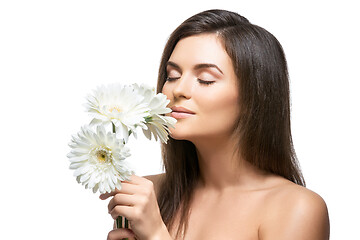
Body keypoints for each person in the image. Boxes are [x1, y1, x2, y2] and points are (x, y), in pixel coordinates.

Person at [100, 9, 330, 240]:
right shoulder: (147, 195)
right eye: (172, 75)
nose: (178, 90)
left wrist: (156, 235)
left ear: (255, 96)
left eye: (205, 79)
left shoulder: (295, 209)